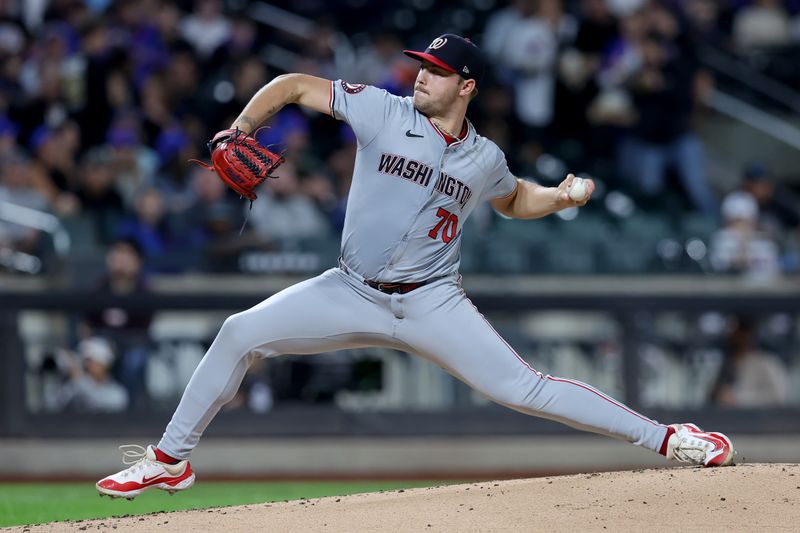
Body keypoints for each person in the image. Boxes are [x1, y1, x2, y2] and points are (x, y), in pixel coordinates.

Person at [96, 34, 735, 499]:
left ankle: (669, 438)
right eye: (421, 66)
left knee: (526, 389)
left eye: (436, 70)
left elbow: (514, 200)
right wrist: (237, 127)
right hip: (349, 290)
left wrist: (561, 197)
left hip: (432, 301)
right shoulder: (382, 110)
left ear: (467, 85)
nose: (420, 77)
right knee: (239, 331)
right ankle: (170, 459)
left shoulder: (483, 157)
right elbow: (292, 86)